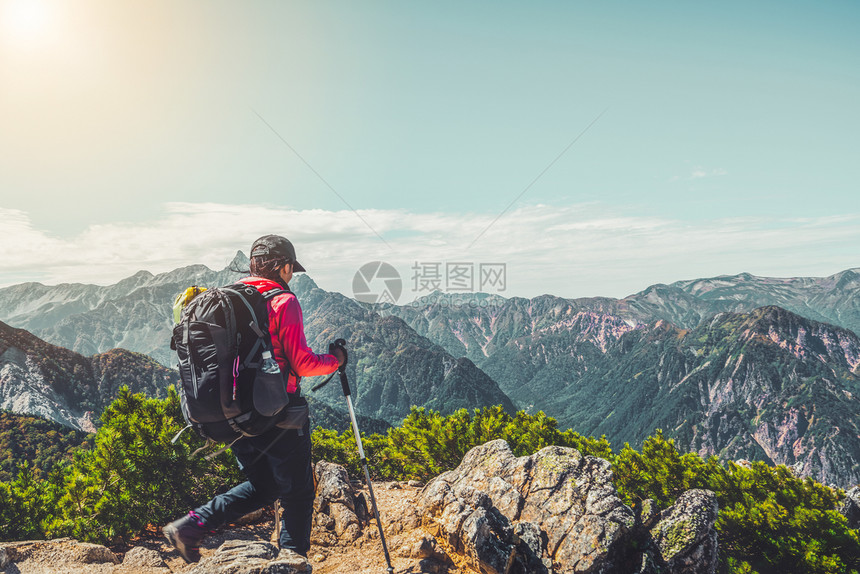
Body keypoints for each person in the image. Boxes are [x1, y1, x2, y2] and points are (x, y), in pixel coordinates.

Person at [163, 234, 344, 562]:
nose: (292, 276)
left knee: (265, 487)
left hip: (233, 413)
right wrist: (336, 361)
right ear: (283, 266)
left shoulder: (230, 297)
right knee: (299, 493)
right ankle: (291, 562)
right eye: (291, 269)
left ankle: (192, 525)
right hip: (279, 413)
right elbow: (302, 363)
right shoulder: (282, 301)